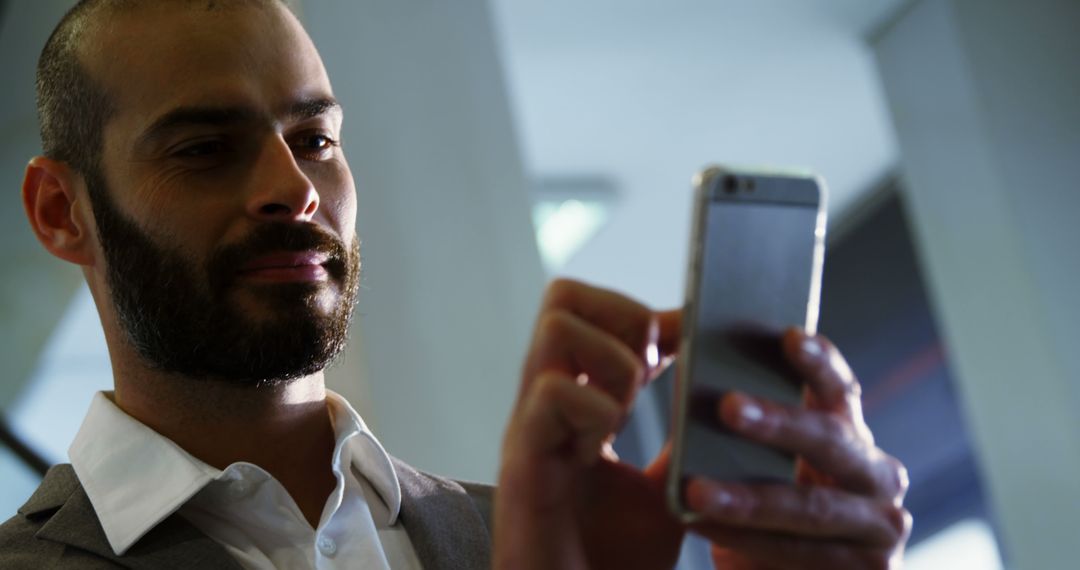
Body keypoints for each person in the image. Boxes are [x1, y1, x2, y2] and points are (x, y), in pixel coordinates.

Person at [0, 0, 911, 568]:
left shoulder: (520, 539)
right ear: (58, 211)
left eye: (315, 140)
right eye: (203, 149)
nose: (294, 189)